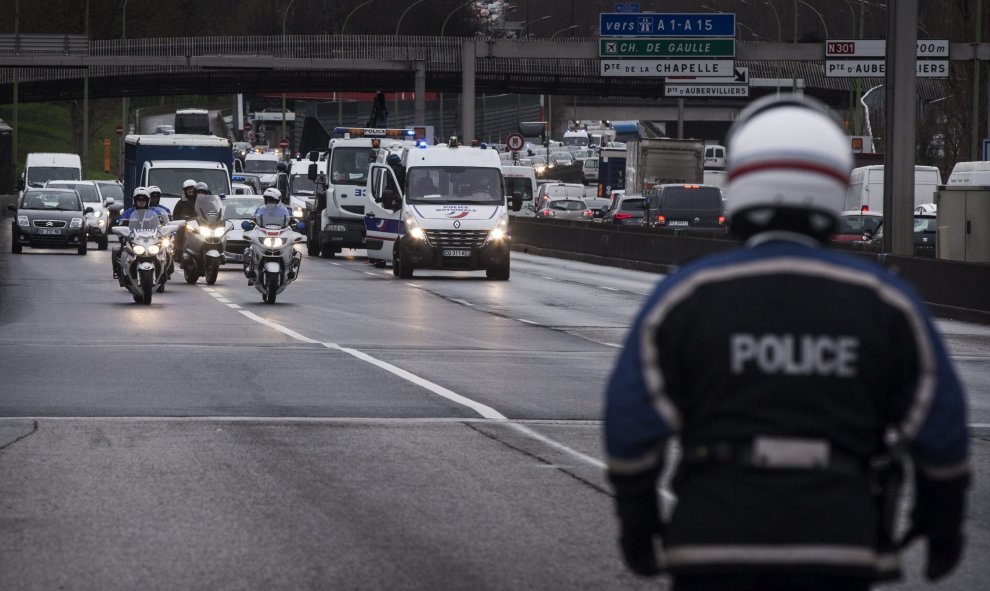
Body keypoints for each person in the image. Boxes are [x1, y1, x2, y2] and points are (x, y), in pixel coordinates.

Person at [603, 95, 970, 591]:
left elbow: (631, 418)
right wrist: (942, 515)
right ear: (833, 182)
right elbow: (940, 423)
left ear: (741, 181)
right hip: (841, 541)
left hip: (713, 540)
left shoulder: (687, 296)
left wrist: (638, 516)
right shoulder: (886, 302)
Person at [244, 188, 292, 285]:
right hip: (264, 233)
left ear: (278, 200)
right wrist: (250, 224)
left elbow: (291, 220)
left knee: (291, 247)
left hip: (279, 234)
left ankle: (290, 268)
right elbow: (254, 219)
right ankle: (251, 268)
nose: (270, 202)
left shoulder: (284, 210)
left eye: (272, 200)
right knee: (251, 247)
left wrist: (296, 225)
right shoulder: (260, 209)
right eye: (268, 199)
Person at [112, 188, 154, 280]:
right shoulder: (128, 212)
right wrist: (120, 223)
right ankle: (119, 271)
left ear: (147, 201)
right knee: (120, 251)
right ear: (135, 201)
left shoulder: (153, 213)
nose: (141, 202)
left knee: (164, 251)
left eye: (143, 200)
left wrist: (162, 226)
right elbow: (120, 221)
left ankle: (164, 273)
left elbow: (159, 224)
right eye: (139, 200)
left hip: (150, 240)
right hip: (132, 239)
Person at [171, 179, 199, 267]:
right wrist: (183, 220)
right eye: (188, 189)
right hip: (186, 225)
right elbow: (175, 215)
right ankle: (180, 254)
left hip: (200, 224)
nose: (190, 190)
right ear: (185, 190)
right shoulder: (181, 202)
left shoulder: (200, 200)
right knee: (180, 233)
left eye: (192, 188)